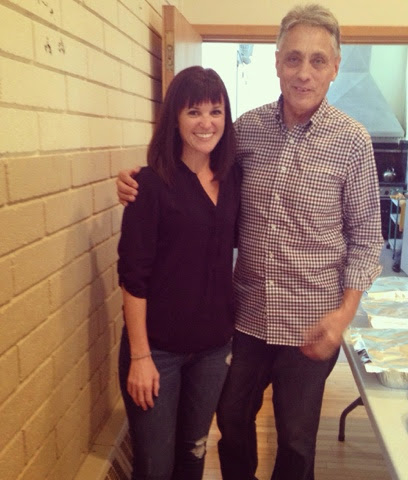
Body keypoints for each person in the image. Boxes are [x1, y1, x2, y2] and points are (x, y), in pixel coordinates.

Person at [117, 5, 383, 479]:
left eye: (318, 60)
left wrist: (343, 316)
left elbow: (365, 239)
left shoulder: (353, 142)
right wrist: (139, 180)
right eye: (293, 58)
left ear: (335, 67)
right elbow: (194, 171)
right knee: (232, 422)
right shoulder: (247, 130)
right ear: (277, 62)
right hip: (244, 320)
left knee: (296, 440)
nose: (304, 73)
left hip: (310, 325)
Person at [117, 66, 240, 480]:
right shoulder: (150, 186)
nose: (206, 123)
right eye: (194, 112)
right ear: (174, 118)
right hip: (157, 352)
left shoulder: (233, 178)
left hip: (212, 350)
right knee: (155, 467)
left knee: (193, 456)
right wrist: (140, 357)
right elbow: (133, 277)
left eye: (215, 111)